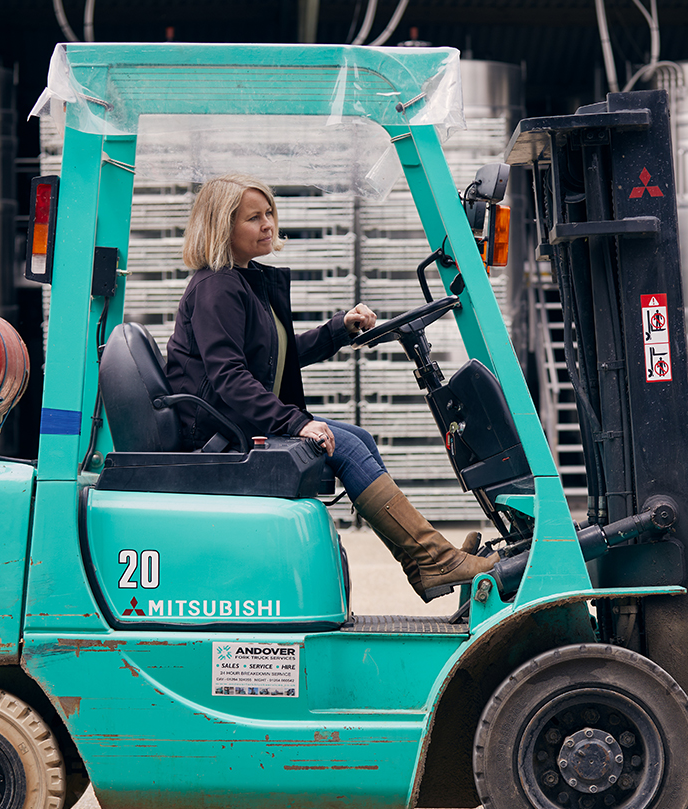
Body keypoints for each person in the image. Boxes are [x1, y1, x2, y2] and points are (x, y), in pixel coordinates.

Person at [164, 174, 495, 601]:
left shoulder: (244, 282)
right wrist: (296, 422)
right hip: (219, 435)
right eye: (253, 218)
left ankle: (423, 561)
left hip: (232, 421)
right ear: (221, 227)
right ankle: (434, 557)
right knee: (345, 444)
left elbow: (276, 356)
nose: (268, 224)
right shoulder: (217, 288)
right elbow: (229, 376)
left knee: (357, 437)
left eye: (269, 213)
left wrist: (338, 330)